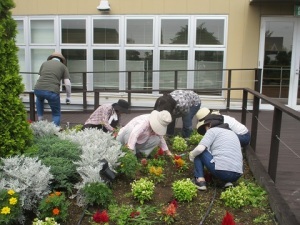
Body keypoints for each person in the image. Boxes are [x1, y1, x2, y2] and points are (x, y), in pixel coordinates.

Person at [189, 116, 243, 191]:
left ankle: (200, 181)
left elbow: (200, 149)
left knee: (199, 153)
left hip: (222, 172)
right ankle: (227, 182)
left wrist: (191, 155)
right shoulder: (233, 133)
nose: (206, 131)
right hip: (237, 174)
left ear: (209, 125)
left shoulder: (212, 130)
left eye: (205, 128)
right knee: (224, 157)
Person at [34, 52, 71, 126]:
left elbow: (39, 78)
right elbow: (67, 83)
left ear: (51, 58)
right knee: (56, 114)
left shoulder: (44, 63)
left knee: (39, 98)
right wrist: (68, 97)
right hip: (52, 91)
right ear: (61, 60)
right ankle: (54, 131)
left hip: (38, 88)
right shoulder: (63, 67)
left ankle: (40, 119)